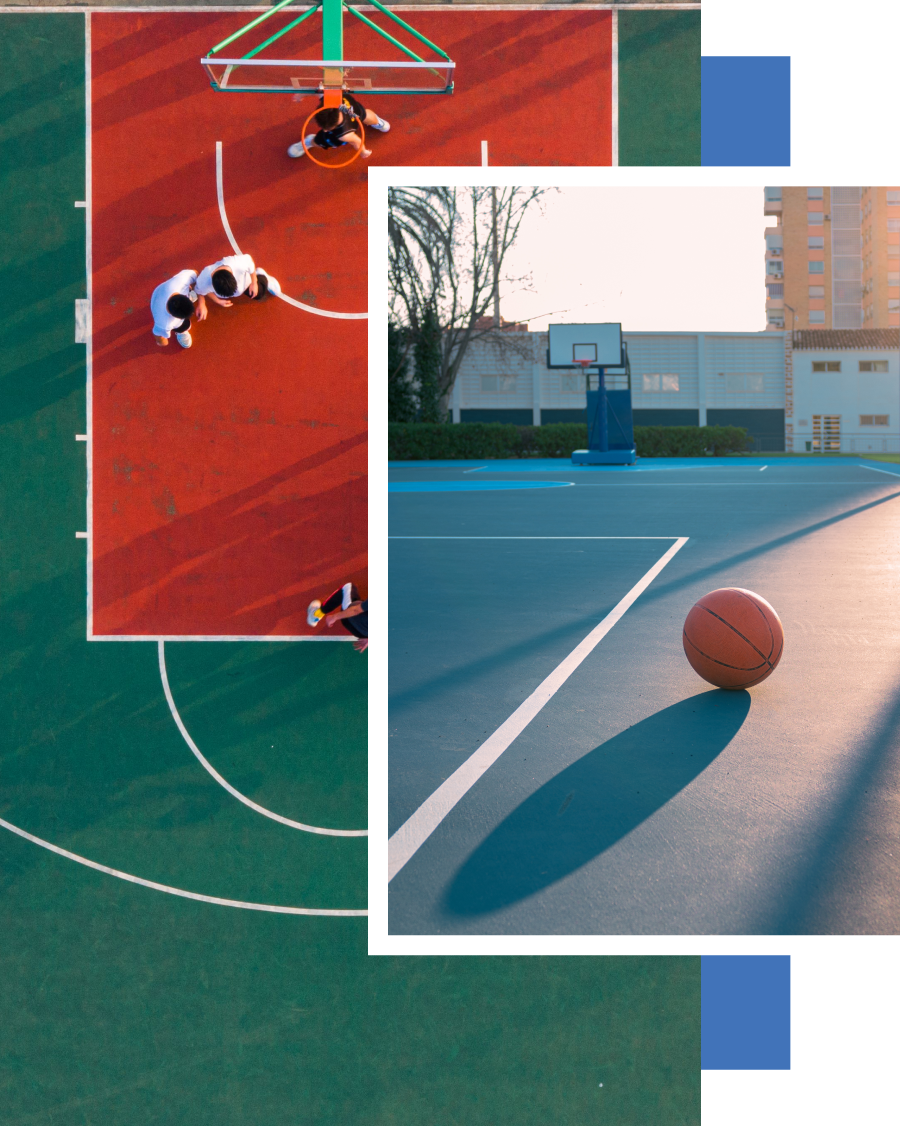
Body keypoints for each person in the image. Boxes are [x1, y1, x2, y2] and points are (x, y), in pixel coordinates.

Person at [287, 94, 390, 161]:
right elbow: (318, 90)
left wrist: (363, 152)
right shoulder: (331, 97)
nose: (325, 130)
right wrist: (301, 94)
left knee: (320, 141)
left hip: (347, 126)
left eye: (327, 128)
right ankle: (377, 122)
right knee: (365, 114)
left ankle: (310, 141)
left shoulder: (344, 135)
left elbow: (357, 141)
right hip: (356, 110)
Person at [195, 253, 281, 308]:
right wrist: (217, 301)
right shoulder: (203, 280)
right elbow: (201, 291)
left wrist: (254, 282)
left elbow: (250, 261)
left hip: (246, 282)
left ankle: (262, 275)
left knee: (259, 294)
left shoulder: (237, 263)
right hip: (239, 287)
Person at [151, 269, 205, 348]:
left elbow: (195, 273)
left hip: (159, 293)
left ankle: (189, 295)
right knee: (182, 325)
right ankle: (182, 331)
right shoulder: (165, 323)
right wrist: (163, 343)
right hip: (158, 302)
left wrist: (201, 302)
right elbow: (159, 338)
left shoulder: (183, 280)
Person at [307, 582, 368, 652]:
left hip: (348, 618)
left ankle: (316, 615)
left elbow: (355, 610)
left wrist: (334, 617)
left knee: (348, 587)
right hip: (360, 633)